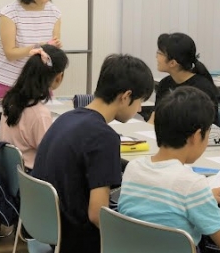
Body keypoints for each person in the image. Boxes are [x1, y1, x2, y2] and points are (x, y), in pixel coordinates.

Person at [119, 86, 220, 252]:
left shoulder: (133, 168)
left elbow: (163, 207)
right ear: (197, 136)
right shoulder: (191, 184)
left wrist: (204, 199)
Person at [32, 54, 154, 253]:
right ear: (125, 97)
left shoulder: (67, 118)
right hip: (80, 239)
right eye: (140, 101)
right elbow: (97, 215)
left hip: (54, 227)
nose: (140, 108)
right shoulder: (104, 137)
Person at [0, 0, 63, 99]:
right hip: (8, 83)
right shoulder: (9, 13)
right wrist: (36, 47)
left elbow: (53, 51)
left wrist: (55, 48)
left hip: (40, 85)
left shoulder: (54, 13)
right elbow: (10, 53)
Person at [0, 44, 68, 171]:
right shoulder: (39, 114)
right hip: (30, 178)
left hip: (9, 175)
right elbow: (50, 156)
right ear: (59, 77)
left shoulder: (10, 101)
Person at [148, 33, 220, 143]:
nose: (156, 57)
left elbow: (199, 128)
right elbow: (155, 118)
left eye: (159, 53)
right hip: (170, 141)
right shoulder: (164, 84)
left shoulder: (201, 88)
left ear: (173, 63)